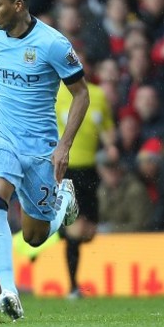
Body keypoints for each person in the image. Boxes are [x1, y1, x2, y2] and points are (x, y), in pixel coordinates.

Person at [0, 0, 90, 321]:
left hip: (41, 146)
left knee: (35, 235)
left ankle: (63, 203)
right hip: (0, 135)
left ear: (18, 5)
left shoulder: (53, 44)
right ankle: (8, 291)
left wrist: (64, 146)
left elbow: (81, 94)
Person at [56, 75, 117, 299]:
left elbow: (107, 125)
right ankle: (73, 287)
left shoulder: (97, 94)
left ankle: (55, 233)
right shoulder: (56, 93)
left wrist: (110, 145)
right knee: (76, 230)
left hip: (91, 170)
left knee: (89, 233)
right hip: (67, 169)